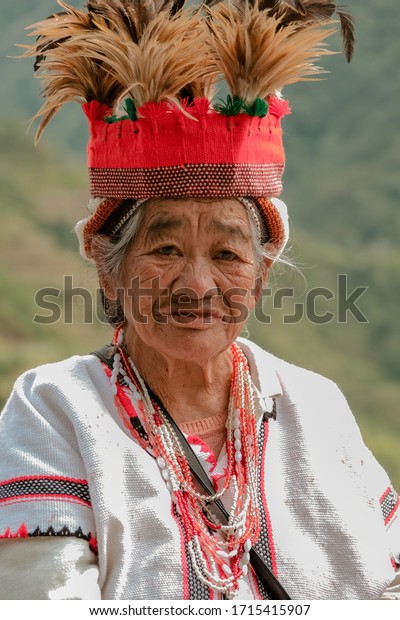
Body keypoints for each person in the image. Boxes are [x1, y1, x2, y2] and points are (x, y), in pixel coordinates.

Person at [0, 0, 399, 600]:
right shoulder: (56, 409)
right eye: (164, 251)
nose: (197, 285)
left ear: (260, 279)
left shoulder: (316, 405)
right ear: (110, 272)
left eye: (228, 254)